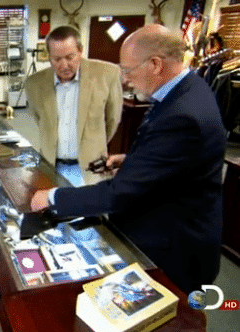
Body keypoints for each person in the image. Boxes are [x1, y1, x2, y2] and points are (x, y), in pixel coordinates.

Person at [30, 24, 226, 295]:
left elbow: (119, 194)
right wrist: (133, 160)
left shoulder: (183, 115)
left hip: (174, 249)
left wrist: (52, 197)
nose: (125, 79)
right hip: (173, 230)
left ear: (156, 64)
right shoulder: (189, 90)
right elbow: (176, 162)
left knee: (177, 317)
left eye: (128, 70)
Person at [25, 26, 123, 186]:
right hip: (52, 166)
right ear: (49, 57)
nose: (64, 65)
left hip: (91, 168)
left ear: (80, 51)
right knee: (55, 209)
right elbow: (40, 120)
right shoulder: (34, 83)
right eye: (57, 59)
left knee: (90, 210)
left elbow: (112, 119)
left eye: (70, 57)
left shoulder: (108, 74)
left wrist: (94, 145)